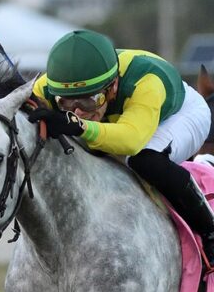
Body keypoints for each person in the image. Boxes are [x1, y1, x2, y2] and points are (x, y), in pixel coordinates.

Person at [28, 29, 214, 267]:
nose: (77, 111)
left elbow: (131, 140)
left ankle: (208, 230)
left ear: (113, 86)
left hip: (178, 115)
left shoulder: (147, 82)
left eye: (89, 101)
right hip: (123, 118)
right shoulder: (49, 87)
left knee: (144, 160)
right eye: (66, 102)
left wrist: (79, 126)